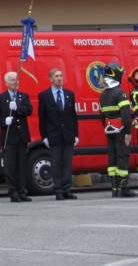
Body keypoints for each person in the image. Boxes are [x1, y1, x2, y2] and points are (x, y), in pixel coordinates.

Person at [38, 68, 79, 200]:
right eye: (56, 76)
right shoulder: (44, 96)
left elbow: (73, 116)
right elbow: (42, 118)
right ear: (51, 79)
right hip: (53, 135)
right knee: (56, 163)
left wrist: (76, 135)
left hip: (67, 135)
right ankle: (58, 190)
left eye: (61, 76)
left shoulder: (69, 94)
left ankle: (67, 189)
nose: (59, 78)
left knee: (67, 163)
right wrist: (44, 136)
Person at [0, 71, 33, 202]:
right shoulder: (0, 98)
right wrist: (4, 121)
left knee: (22, 166)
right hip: (9, 137)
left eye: (17, 80)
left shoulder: (23, 96)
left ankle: (22, 191)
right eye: (12, 80)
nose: (16, 82)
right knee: (10, 166)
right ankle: (13, 192)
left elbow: (29, 110)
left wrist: (17, 108)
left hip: (21, 136)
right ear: (6, 82)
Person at [99, 63, 135, 198]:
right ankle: (123, 188)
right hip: (120, 131)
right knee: (122, 158)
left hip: (109, 130)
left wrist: (107, 127)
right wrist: (128, 132)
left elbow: (101, 116)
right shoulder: (120, 93)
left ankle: (114, 189)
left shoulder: (103, 94)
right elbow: (126, 115)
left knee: (112, 159)